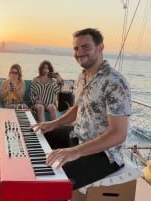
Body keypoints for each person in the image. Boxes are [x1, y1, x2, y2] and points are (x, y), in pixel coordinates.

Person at [33, 28, 131, 189]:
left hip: (104, 154)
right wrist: (53, 124)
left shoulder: (115, 82)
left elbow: (119, 134)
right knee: (35, 134)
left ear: (100, 47)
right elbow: (78, 107)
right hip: (77, 136)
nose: (79, 52)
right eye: (76, 48)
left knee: (47, 184)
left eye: (86, 47)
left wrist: (75, 152)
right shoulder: (83, 76)